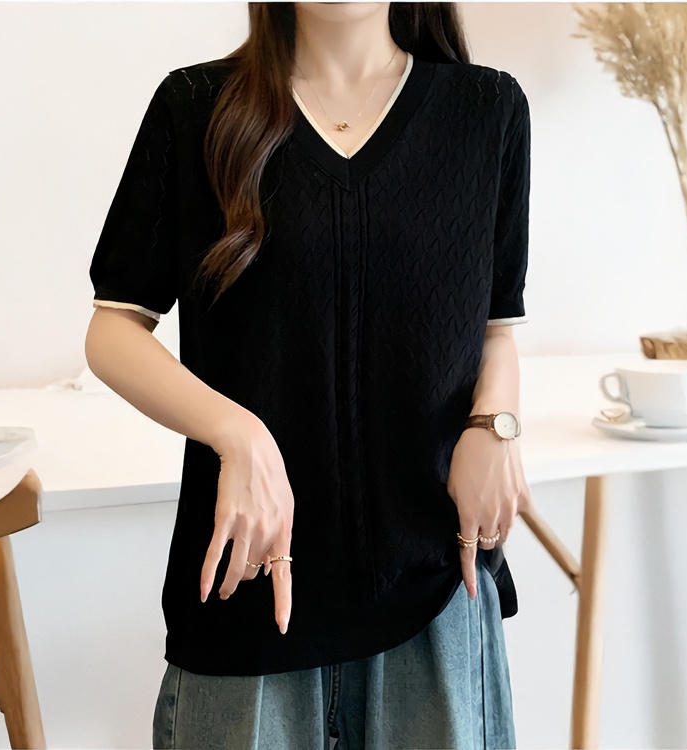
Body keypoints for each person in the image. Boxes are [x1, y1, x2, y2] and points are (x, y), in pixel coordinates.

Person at [85, 2, 534, 748]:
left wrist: (496, 424)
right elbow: (112, 330)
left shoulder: (486, 110)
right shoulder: (194, 107)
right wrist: (239, 434)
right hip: (246, 588)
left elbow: (496, 328)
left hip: (434, 588)